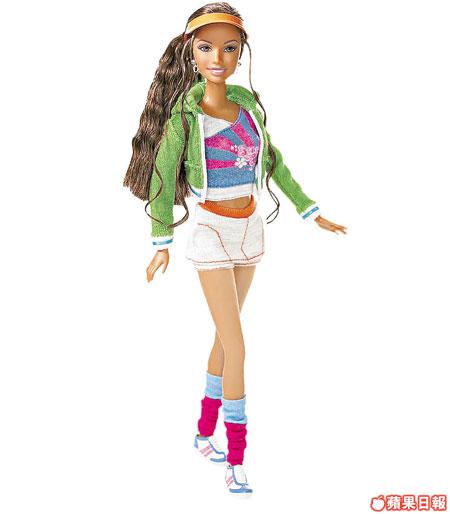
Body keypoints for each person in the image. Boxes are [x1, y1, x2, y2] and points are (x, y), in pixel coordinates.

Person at [123, 2, 348, 497]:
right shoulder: (185, 117)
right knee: (239, 344)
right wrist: (161, 242)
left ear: (241, 51)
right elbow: (162, 177)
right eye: (207, 48)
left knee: (226, 341)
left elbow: (273, 161)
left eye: (229, 48)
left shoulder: (247, 105)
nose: (218, 58)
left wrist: (309, 210)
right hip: (210, 230)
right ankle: (237, 458)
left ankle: (203, 433)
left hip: (250, 229)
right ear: (190, 52)